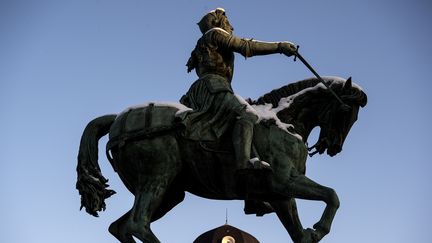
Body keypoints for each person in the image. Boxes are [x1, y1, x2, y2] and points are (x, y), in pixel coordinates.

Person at [180, 8, 297, 173]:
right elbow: (245, 46)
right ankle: (245, 163)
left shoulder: (203, 42)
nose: (231, 27)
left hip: (203, 89)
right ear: (217, 22)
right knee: (246, 115)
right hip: (214, 87)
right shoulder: (216, 34)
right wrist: (279, 47)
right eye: (227, 22)